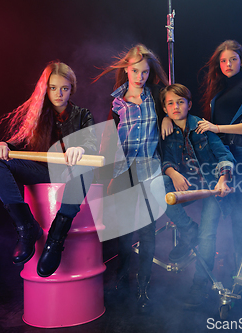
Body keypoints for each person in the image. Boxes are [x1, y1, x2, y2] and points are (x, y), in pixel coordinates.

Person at [0, 61, 98, 278]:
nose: (58, 93)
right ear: (46, 89)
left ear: (71, 89)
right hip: (43, 172)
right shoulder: (37, 114)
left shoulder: (83, 115)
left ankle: (55, 239)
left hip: (72, 174)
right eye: (53, 88)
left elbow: (91, 143)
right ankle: (27, 228)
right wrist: (4, 145)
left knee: (85, 168)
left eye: (64, 88)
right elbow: (19, 140)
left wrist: (81, 148)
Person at [94, 44, 168, 313]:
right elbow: (108, 141)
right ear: (126, 68)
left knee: (148, 231)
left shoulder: (157, 96)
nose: (140, 77)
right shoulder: (116, 102)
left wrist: (167, 118)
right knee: (124, 231)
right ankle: (122, 280)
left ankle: (143, 287)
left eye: (145, 72)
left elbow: (178, 103)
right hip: (123, 171)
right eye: (135, 71)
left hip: (150, 168)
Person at [150, 83, 235, 307]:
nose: (176, 107)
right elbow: (166, 160)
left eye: (180, 102)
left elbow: (224, 155)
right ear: (165, 109)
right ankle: (189, 229)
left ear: (189, 104)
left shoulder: (201, 126)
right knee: (159, 184)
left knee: (207, 237)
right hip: (186, 185)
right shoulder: (167, 131)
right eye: (170, 103)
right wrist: (174, 174)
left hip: (211, 186)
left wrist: (223, 178)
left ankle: (200, 287)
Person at [196, 40, 242, 267]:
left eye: (233, 59)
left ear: (241, 61)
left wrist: (217, 128)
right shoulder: (217, 94)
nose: (228, 64)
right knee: (238, 216)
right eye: (223, 61)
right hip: (228, 159)